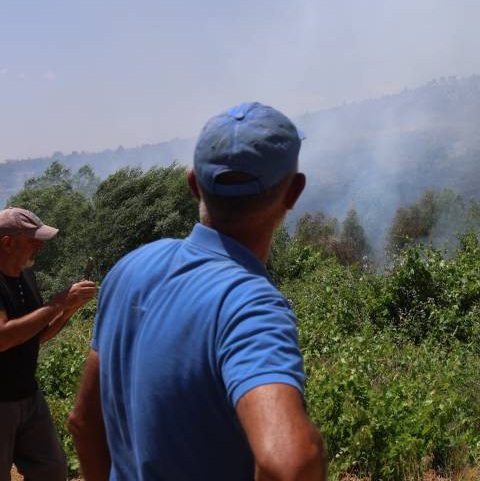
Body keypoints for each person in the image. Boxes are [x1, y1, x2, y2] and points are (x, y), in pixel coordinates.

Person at [68, 102, 325, 481]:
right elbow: (290, 462)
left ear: (193, 185)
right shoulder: (250, 305)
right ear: (294, 193)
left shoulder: (130, 269)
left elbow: (84, 422)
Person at [0, 207, 96, 481]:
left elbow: (35, 337)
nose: (39, 246)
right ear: (8, 243)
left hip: (28, 396)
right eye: (33, 240)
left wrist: (69, 310)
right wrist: (59, 302)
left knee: (52, 470)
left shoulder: (25, 276)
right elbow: (4, 338)